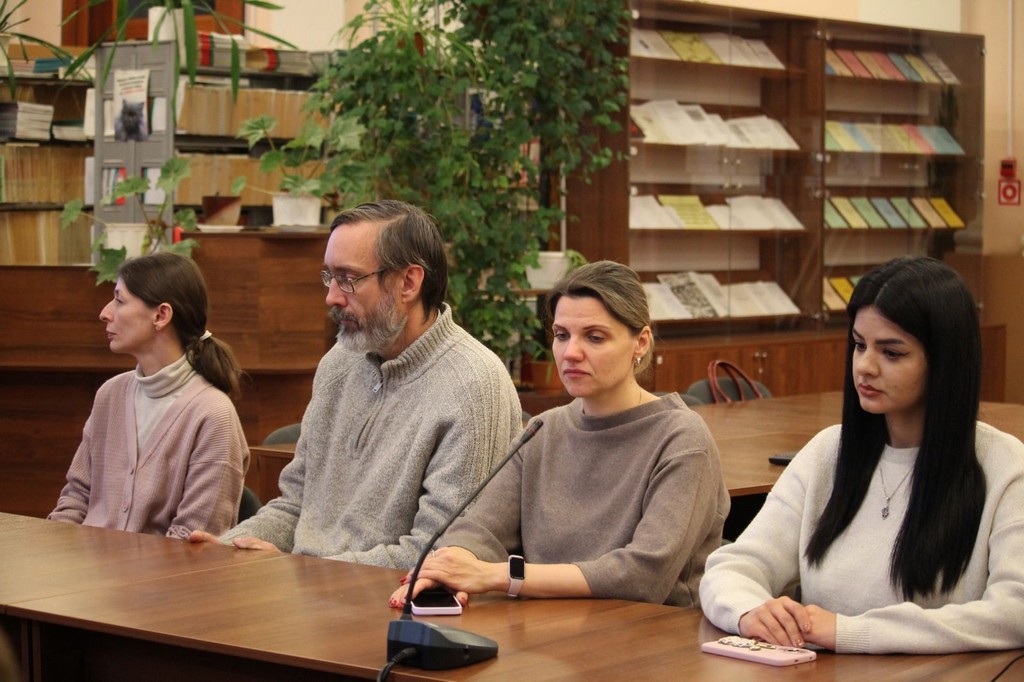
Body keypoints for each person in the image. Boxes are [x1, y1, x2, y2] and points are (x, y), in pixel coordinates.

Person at [700, 256, 1024, 654]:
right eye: (859, 345)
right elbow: (733, 566)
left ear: (945, 361)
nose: (865, 367)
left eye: (892, 353)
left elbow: (1015, 611)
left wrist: (852, 632)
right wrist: (749, 610)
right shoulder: (827, 453)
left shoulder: (1004, 467)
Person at [191, 200, 522, 568]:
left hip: (384, 599)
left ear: (409, 283)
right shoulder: (341, 361)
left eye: (348, 279)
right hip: (309, 587)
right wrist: (225, 550)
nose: (331, 296)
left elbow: (439, 555)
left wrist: (296, 572)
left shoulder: (474, 386)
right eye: (329, 277)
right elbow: (295, 506)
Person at [391, 260, 729, 608]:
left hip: (649, 632)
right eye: (562, 335)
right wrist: (451, 567)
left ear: (640, 343)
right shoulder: (543, 429)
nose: (571, 353)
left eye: (594, 337)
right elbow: (482, 528)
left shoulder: (682, 439)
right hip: (546, 627)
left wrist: (499, 576)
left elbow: (644, 574)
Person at [48, 252, 249, 539]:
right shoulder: (110, 394)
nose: (105, 313)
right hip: (86, 563)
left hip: (159, 569)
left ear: (161, 315)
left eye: (119, 300)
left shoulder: (213, 414)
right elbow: (76, 499)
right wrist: (56, 550)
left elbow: (192, 540)